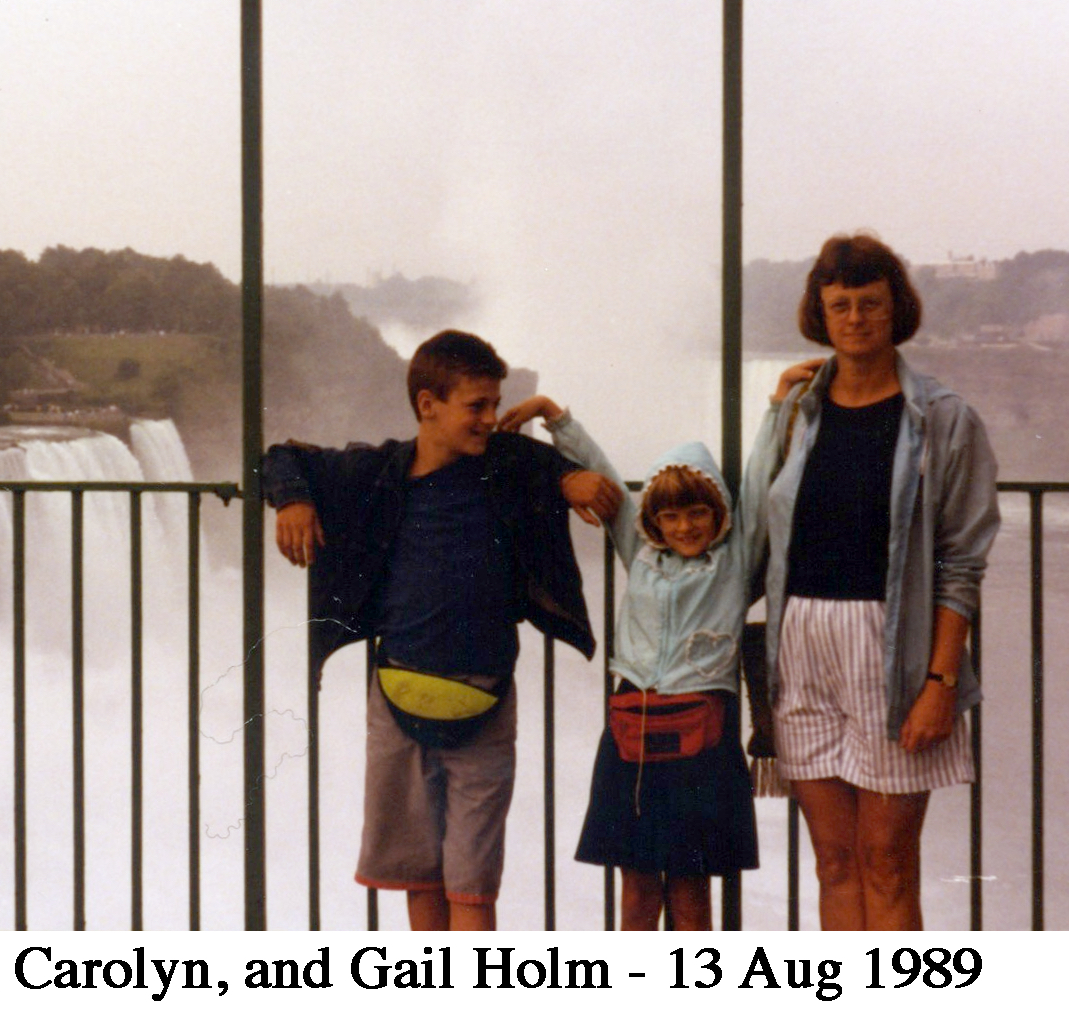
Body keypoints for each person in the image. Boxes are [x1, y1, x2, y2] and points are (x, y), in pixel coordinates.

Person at [260, 329, 620, 930]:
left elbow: (553, 466)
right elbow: (279, 456)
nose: (490, 420)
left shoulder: (506, 466)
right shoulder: (379, 471)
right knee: (416, 874)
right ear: (428, 405)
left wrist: (570, 479)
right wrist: (293, 500)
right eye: (475, 406)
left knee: (472, 884)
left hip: (485, 697)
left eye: (495, 405)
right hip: (397, 694)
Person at [760, 233, 1001, 930]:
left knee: (887, 862)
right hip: (801, 645)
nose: (857, 318)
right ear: (821, 314)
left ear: (896, 310)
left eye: (871, 303)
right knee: (833, 864)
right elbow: (758, 521)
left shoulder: (942, 417)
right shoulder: (799, 411)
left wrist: (940, 684)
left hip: (890, 649)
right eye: (841, 306)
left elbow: (962, 562)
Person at [499, 385, 806, 930]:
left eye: (696, 513)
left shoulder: (734, 561)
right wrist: (555, 416)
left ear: (718, 513)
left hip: (702, 728)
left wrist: (778, 404)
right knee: (637, 889)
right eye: (670, 516)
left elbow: (758, 484)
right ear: (654, 521)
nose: (684, 526)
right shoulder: (640, 550)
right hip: (631, 723)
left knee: (689, 890)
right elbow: (608, 482)